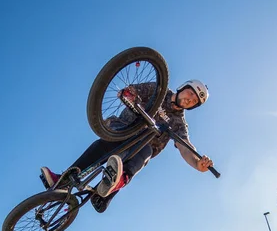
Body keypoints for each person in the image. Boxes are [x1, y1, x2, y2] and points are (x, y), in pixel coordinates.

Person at [40, 80, 214, 212]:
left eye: (194, 102)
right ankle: (62, 180)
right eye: (191, 94)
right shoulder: (158, 90)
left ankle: (114, 184)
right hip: (122, 128)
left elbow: (185, 147)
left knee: (146, 150)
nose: (190, 100)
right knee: (109, 142)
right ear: (183, 87)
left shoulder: (179, 123)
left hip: (139, 149)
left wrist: (198, 164)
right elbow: (134, 90)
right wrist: (128, 94)